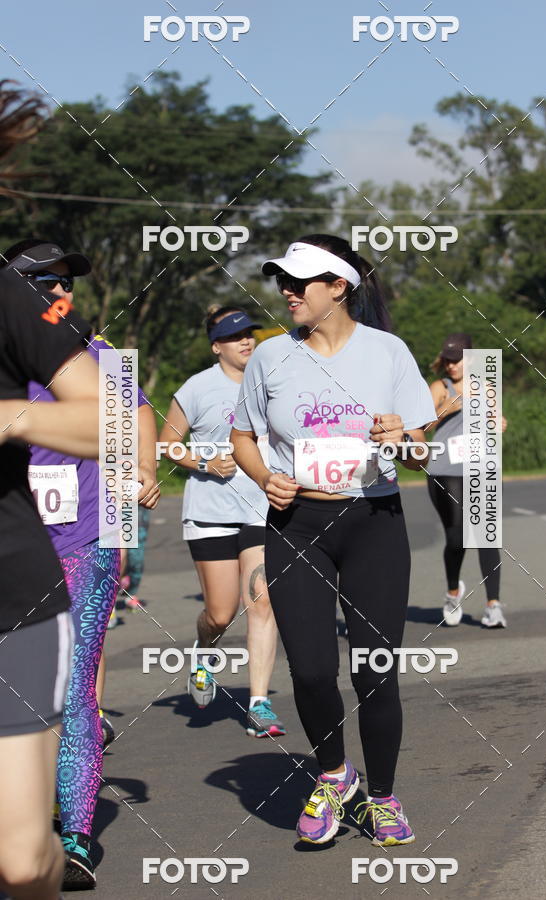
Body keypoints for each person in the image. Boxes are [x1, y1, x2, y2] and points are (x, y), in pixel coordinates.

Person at [230, 235, 436, 845]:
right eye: (282, 282)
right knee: (314, 672)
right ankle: (332, 774)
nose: (287, 292)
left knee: (374, 670)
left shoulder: (388, 353)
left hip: (374, 522)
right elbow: (244, 437)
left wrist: (402, 436)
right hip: (298, 528)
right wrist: (267, 477)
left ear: (339, 287)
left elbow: (421, 450)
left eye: (301, 282)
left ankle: (382, 796)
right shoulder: (270, 358)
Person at [2, 238, 160, 888]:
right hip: (27, 529)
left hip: (78, 547)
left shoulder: (99, 363)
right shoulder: (12, 342)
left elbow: (135, 424)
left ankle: (74, 837)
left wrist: (142, 469)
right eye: (44, 279)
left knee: (77, 693)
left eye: (65, 282)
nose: (58, 292)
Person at [0, 77, 101, 900]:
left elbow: (110, 425)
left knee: (22, 862)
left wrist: (11, 421)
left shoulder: (10, 298)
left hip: (15, 599)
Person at [159, 306, 285, 738]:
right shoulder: (197, 387)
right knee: (220, 613)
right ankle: (202, 653)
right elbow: (166, 445)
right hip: (210, 512)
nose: (246, 341)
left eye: (249, 334)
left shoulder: (272, 379)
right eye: (235, 337)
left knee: (263, 600)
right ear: (217, 347)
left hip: (260, 507)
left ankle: (259, 703)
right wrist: (204, 462)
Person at [427, 333, 506, 628]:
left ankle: (493, 605)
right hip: (444, 470)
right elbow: (421, 425)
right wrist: (449, 406)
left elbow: (496, 420)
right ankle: (452, 592)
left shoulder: (485, 388)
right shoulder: (439, 387)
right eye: (447, 360)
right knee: (457, 535)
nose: (451, 365)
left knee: (487, 535)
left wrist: (498, 423)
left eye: (457, 360)